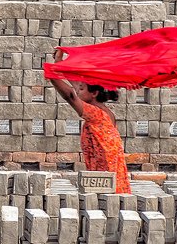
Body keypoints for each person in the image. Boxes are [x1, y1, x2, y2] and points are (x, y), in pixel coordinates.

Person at [46, 48, 132, 194]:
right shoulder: (106, 113)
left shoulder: (97, 115)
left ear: (94, 93)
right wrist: (59, 64)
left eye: (81, 88)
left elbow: (71, 96)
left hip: (106, 186)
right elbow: (76, 88)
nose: (78, 89)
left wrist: (52, 72)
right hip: (110, 181)